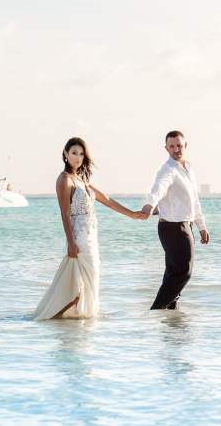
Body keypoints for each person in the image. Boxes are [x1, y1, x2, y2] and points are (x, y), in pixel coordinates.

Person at [33, 137, 146, 320]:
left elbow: (107, 200)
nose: (78, 158)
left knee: (91, 278)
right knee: (80, 281)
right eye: (74, 153)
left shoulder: (81, 180)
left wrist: (133, 214)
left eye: (81, 154)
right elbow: (65, 214)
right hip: (79, 238)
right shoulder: (64, 180)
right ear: (65, 154)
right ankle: (63, 317)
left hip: (91, 238)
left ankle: (78, 320)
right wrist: (70, 243)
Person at [140, 130, 210, 310]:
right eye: (171, 146)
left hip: (185, 225)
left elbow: (194, 200)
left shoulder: (188, 168)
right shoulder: (168, 169)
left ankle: (170, 320)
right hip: (172, 228)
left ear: (185, 146)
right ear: (166, 148)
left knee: (173, 274)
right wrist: (149, 205)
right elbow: (159, 188)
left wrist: (201, 226)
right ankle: (156, 310)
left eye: (179, 145)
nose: (176, 149)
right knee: (183, 273)